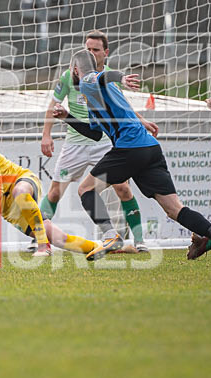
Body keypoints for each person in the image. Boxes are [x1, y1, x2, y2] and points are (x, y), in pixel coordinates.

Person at [52, 49, 211, 263]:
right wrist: (67, 117)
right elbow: (94, 134)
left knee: (86, 189)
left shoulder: (88, 81)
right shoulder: (96, 94)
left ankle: (111, 236)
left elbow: (103, 76)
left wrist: (121, 77)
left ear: (75, 69)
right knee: (174, 209)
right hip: (150, 149)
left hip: (130, 148)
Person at [40, 30, 156, 253]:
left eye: (95, 49)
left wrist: (142, 121)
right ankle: (40, 238)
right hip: (75, 143)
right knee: (55, 192)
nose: (91, 53)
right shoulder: (68, 76)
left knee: (123, 188)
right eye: (88, 49)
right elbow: (52, 105)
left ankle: (139, 240)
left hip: (103, 141)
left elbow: (124, 107)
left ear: (105, 52)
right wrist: (46, 135)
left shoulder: (110, 75)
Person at [0, 125, 101, 258]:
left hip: (20, 180)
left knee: (20, 193)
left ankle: (43, 246)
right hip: (8, 209)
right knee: (59, 238)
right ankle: (101, 247)